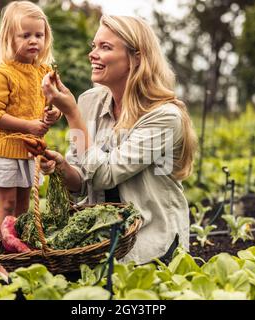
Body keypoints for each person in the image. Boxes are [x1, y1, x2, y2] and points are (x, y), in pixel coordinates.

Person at [35, 15, 198, 265]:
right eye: (94, 46)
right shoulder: (89, 101)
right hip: (98, 241)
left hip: (150, 245)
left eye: (105, 47)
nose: (93, 54)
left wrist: (71, 113)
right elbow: (82, 181)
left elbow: (105, 175)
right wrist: (62, 168)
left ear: (136, 58)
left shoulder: (164, 117)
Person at [0, 1, 61, 277]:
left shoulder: (44, 73)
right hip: (5, 149)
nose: (33, 41)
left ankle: (20, 253)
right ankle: (3, 256)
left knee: (26, 205)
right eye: (25, 35)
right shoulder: (1, 73)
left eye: (38, 35)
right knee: (7, 203)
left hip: (29, 151)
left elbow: (54, 104)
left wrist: (53, 115)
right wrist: (28, 125)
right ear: (9, 38)